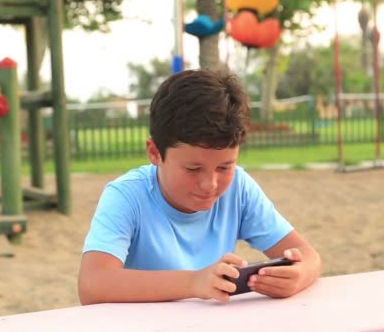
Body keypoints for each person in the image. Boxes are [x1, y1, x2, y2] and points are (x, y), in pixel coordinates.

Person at [78, 69, 321, 304]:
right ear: (154, 152)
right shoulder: (126, 196)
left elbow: (308, 256)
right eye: (193, 169)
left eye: (225, 167)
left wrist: (298, 276)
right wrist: (194, 283)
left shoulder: (239, 187)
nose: (210, 184)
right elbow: (93, 284)